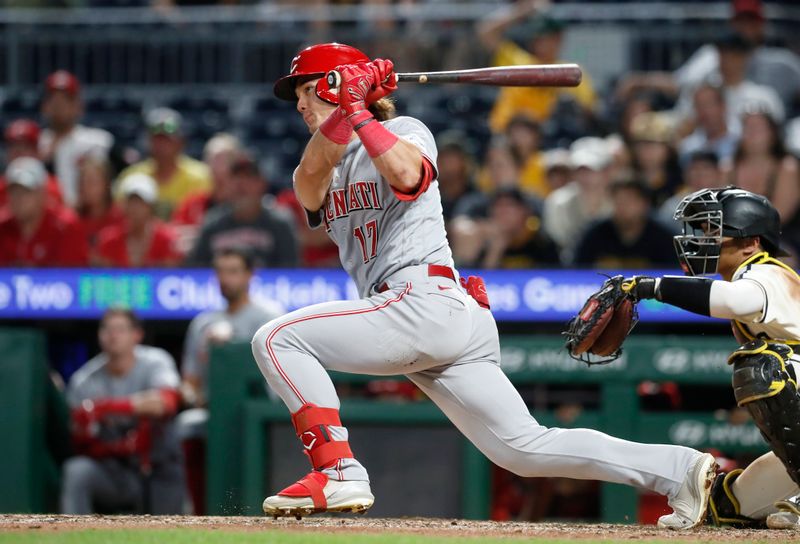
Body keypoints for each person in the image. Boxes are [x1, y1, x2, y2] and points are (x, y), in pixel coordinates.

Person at [249, 42, 717, 530]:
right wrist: (348, 106)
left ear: (335, 82)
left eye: (307, 90)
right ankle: (680, 470)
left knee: (278, 338)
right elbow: (308, 181)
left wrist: (357, 110)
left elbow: (408, 177)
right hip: (424, 314)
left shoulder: (405, 131)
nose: (300, 104)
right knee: (524, 448)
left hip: (423, 299)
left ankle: (338, 470)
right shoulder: (323, 159)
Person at [619, 187, 800, 530]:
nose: (704, 240)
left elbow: (733, 301)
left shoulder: (768, 271)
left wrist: (652, 287)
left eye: (715, 232)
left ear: (750, 242)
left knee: (764, 367)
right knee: (730, 508)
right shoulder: (751, 272)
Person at [178, 247, 283, 514]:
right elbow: (190, 381)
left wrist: (234, 346)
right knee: (184, 426)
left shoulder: (268, 316)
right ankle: (197, 510)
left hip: (260, 412)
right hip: (212, 414)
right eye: (221, 272)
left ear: (249, 275)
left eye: (233, 271)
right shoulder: (203, 323)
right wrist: (194, 398)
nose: (226, 279)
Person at [61, 308, 184, 514]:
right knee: (77, 470)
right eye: (107, 329)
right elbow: (77, 436)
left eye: (120, 329)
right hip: (114, 470)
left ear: (137, 334)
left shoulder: (155, 361)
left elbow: (166, 403)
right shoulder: (84, 380)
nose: (112, 335)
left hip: (159, 469)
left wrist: (106, 408)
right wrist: (116, 446)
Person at [477, 2, 597, 133]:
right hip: (505, 135)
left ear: (560, 40)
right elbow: (486, 31)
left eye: (552, 38)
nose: (545, 43)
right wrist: (524, 10)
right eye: (541, 37)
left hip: (549, 140)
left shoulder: (571, 71)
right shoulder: (518, 61)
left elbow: (591, 110)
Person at [185, 152, 298, 268]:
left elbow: (290, 272)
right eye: (236, 177)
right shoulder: (212, 222)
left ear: (262, 183)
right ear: (227, 184)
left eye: (249, 177)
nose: (241, 184)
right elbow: (197, 270)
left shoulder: (280, 222)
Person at [117, 108, 211, 219]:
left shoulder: (201, 177)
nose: (161, 145)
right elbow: (120, 217)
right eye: (157, 139)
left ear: (181, 142)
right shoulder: (131, 177)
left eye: (167, 140)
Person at [38, 70, 113, 207]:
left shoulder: (97, 141)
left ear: (79, 106)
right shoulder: (34, 144)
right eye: (54, 99)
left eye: (66, 100)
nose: (59, 105)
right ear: (45, 106)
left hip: (85, 218)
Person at [0, 157, 88, 267]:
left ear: (42, 193)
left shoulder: (65, 226)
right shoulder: (2, 225)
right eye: (13, 192)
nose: (18, 199)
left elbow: (73, 277)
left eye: (26, 192)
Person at [573, 179, 676, 269]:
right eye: (618, 201)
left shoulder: (663, 238)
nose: (622, 207)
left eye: (629, 201)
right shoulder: (594, 234)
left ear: (645, 204)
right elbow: (576, 271)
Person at [94, 173, 183, 268]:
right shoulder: (109, 240)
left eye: (141, 202)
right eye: (131, 202)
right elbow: (102, 276)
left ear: (151, 206)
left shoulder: (167, 240)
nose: (135, 208)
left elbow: (170, 276)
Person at [0, 119, 63, 207]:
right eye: (13, 147)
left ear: (37, 152)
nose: (19, 152)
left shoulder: (53, 187)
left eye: (26, 147)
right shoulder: (1, 187)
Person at [678, 84, 739, 167]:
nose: (705, 112)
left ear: (723, 106)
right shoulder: (688, 148)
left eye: (709, 104)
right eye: (699, 106)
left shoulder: (740, 142)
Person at [76, 155, 124, 250]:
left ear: (106, 184)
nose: (85, 187)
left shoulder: (122, 218)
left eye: (92, 182)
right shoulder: (72, 219)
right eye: (82, 182)